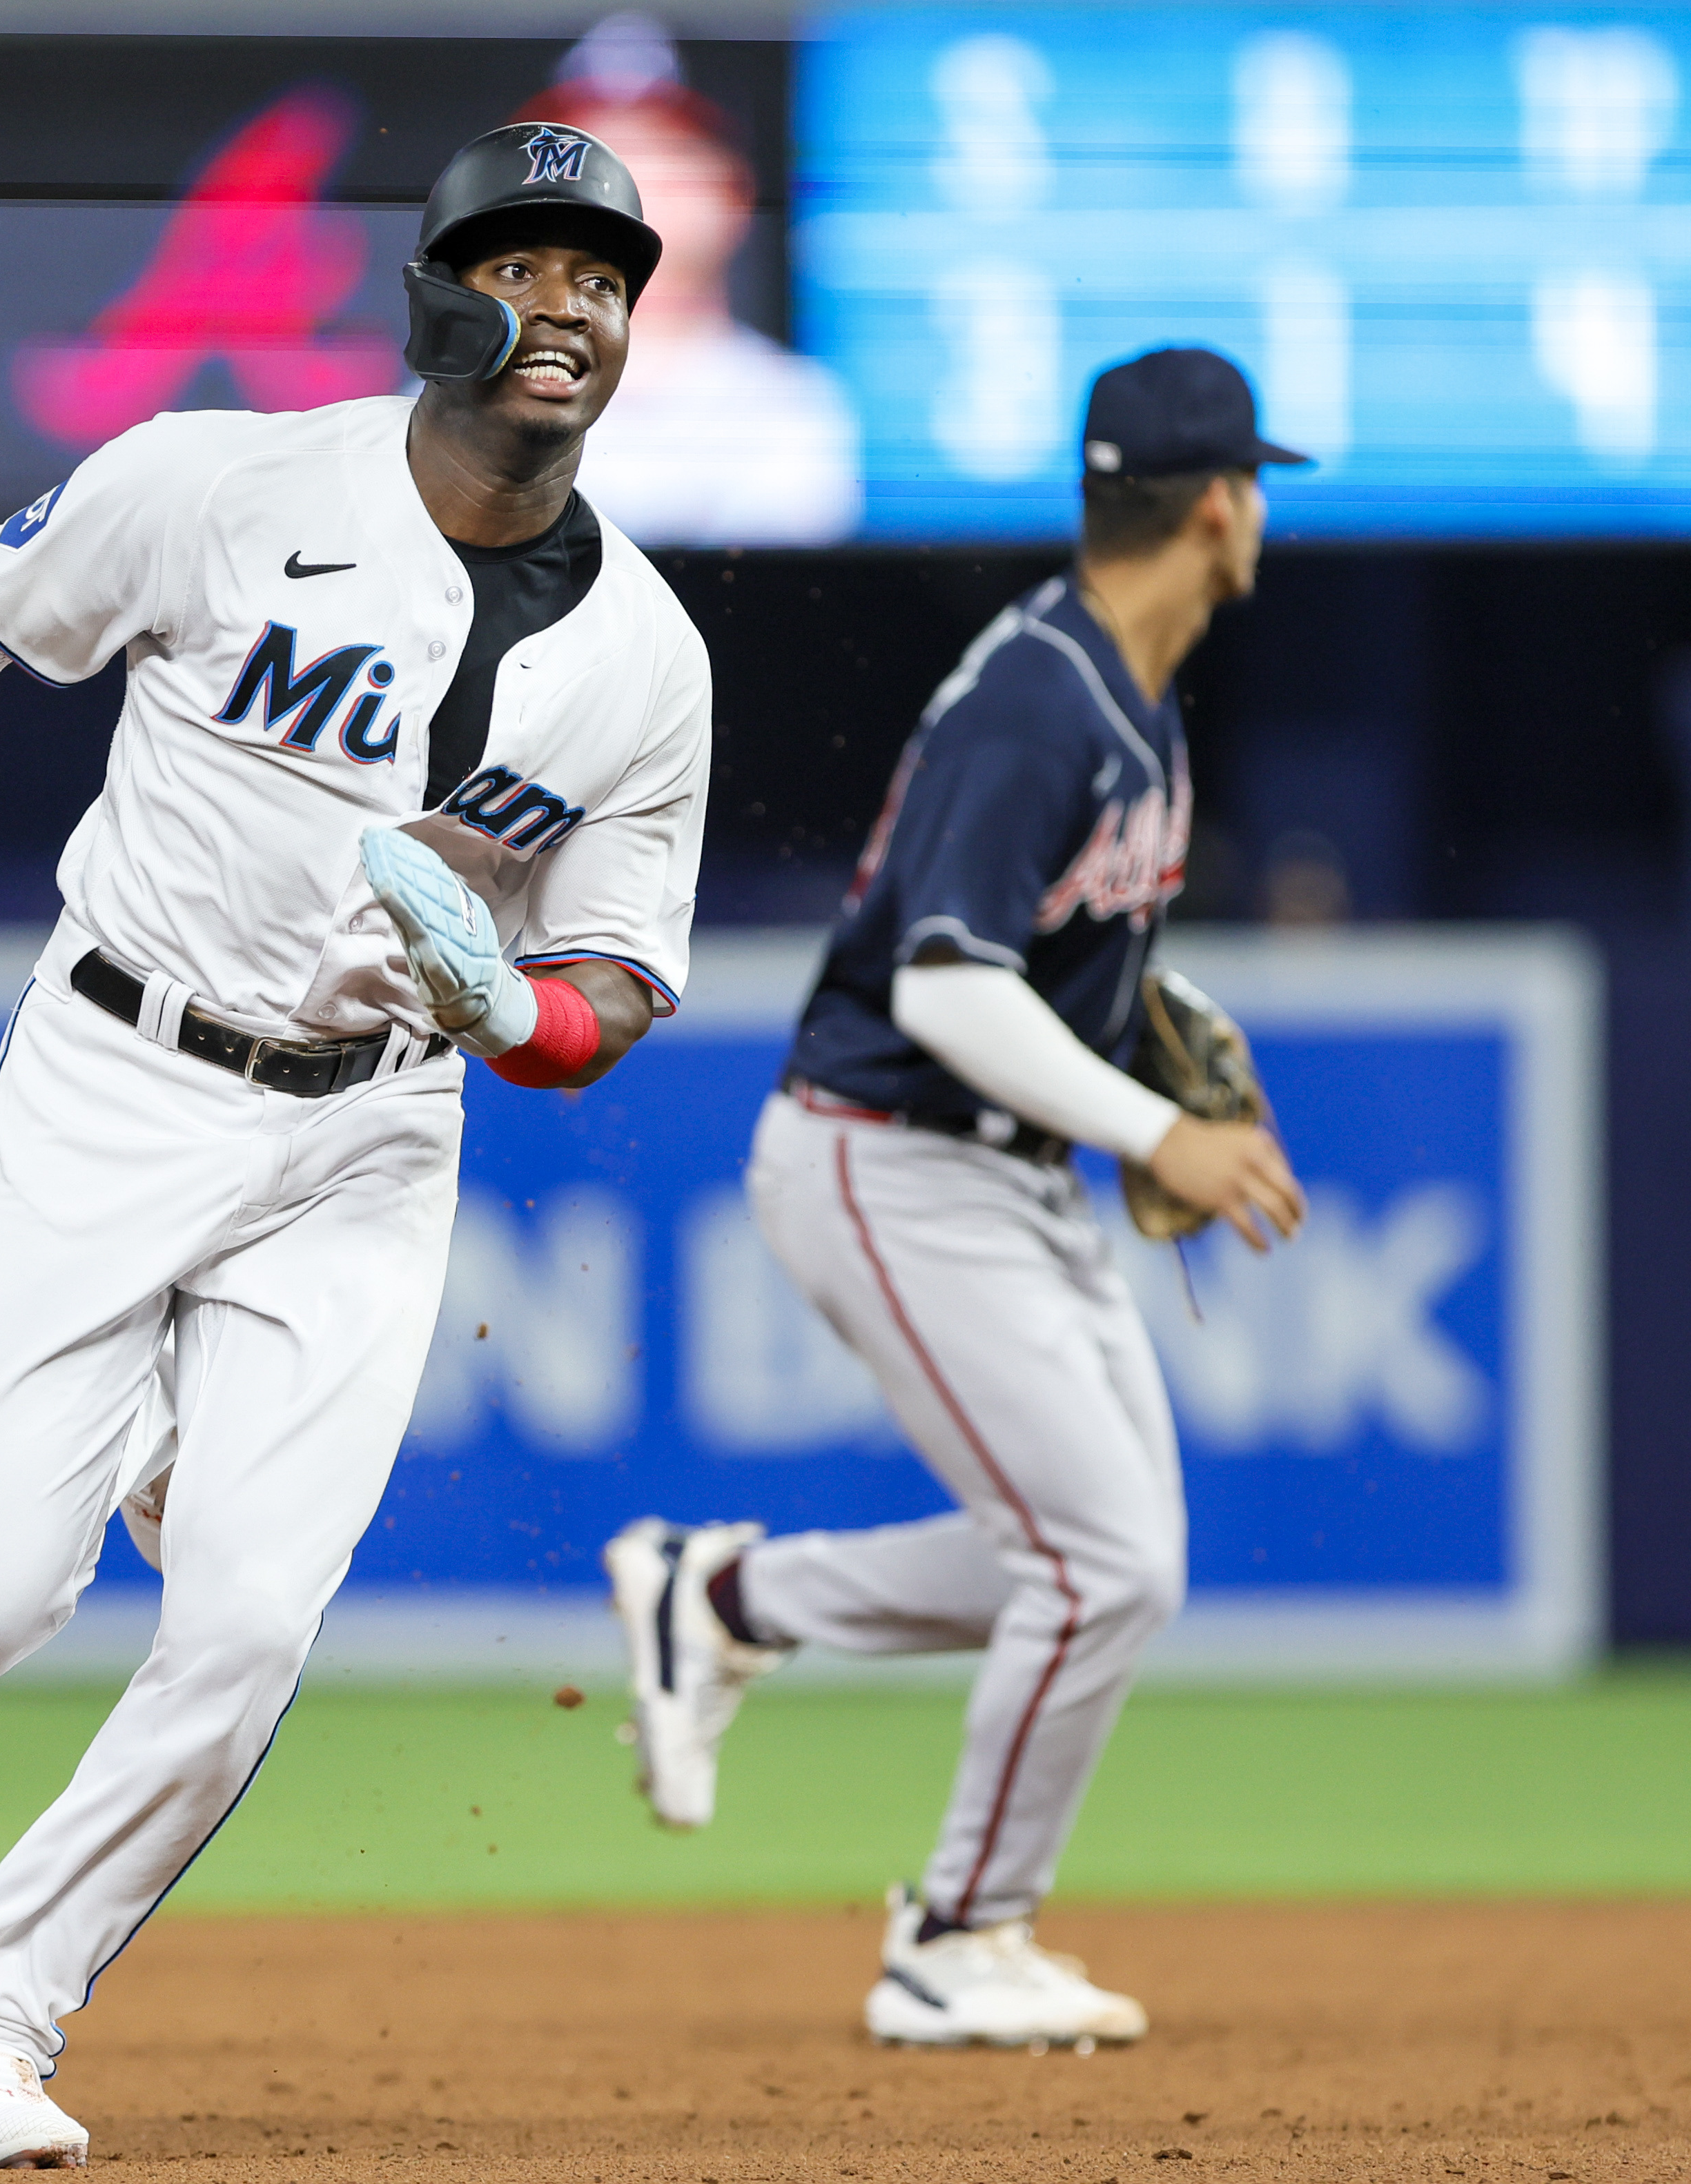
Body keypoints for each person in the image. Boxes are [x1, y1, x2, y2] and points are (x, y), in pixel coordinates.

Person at [0, 121, 711, 2168]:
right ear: (435, 293)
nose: (567, 306)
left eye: (602, 277)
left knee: (244, 1619)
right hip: (120, 1071)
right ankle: (148, 1440)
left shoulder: (645, 660)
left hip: (366, 1135)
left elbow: (615, 989)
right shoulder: (216, 482)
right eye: (524, 264)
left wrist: (517, 1013)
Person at [605, 347, 1310, 2051]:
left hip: (994, 1176)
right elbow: (942, 988)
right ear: (1217, 505)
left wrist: (1132, 1076)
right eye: (1255, 486)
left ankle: (721, 1601)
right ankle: (956, 1933)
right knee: (1101, 1558)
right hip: (884, 1153)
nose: (1258, 513)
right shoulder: (1042, 697)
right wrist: (1159, 1129)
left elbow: (1044, 972)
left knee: (1105, 1563)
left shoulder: (1126, 698)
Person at [515, 11, 861, 545]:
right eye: (593, 165)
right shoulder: (461, 394)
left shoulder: (794, 407)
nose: (628, 195)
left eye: (660, 159)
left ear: (732, 192)